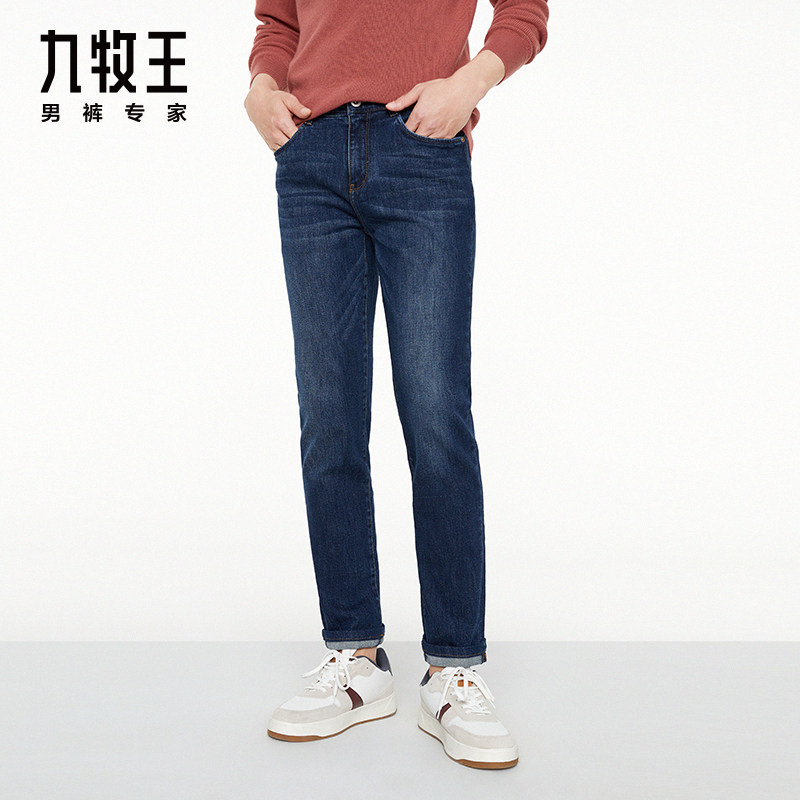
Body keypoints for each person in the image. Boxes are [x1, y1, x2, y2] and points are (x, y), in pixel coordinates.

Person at [244, 0, 548, 770]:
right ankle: (356, 658)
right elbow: (278, 23)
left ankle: (452, 668)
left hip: (421, 144)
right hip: (311, 153)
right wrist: (261, 87)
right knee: (329, 419)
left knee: (435, 411)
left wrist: (470, 82)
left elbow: (525, 10)